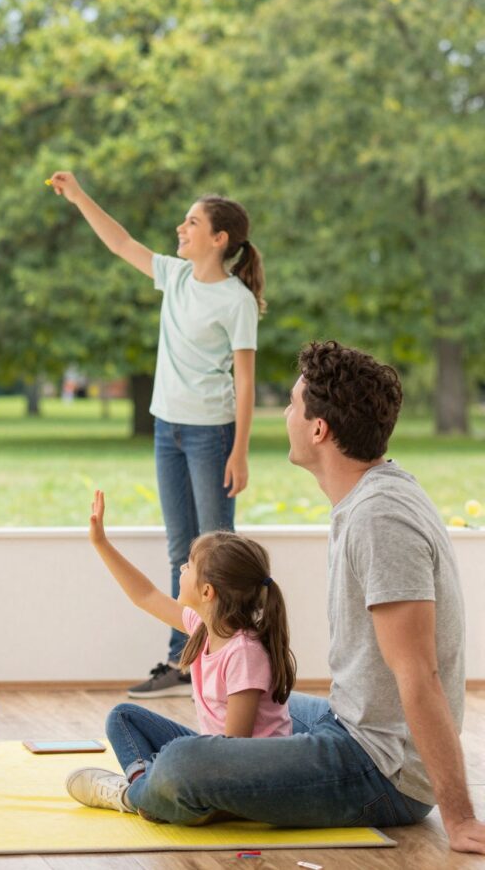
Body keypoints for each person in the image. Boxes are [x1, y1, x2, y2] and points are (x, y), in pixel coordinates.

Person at [66, 341, 485, 858]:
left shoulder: (381, 519)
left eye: (292, 404)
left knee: (183, 765)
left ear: (319, 429)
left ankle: (140, 792)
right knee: (220, 714)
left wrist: (460, 818)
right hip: (350, 728)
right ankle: (198, 782)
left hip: (382, 771)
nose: (284, 414)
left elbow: (418, 674)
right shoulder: (365, 499)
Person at [50, 172, 264, 698]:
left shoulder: (236, 301)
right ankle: (184, 659)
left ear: (219, 239)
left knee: (218, 552)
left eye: (192, 222)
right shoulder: (175, 276)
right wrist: (79, 195)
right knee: (181, 554)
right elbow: (121, 241)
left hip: (211, 436)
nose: (180, 227)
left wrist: (239, 450)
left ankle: (233, 658)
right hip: (167, 428)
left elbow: (245, 381)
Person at [67, 490, 294, 813]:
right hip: (218, 757)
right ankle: (146, 792)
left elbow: (237, 752)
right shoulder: (204, 627)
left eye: (188, 565)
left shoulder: (244, 653)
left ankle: (149, 795)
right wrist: (101, 543)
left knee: (182, 754)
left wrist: (187, 759)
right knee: (122, 717)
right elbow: (145, 595)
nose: (182, 568)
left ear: (207, 592)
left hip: (247, 778)